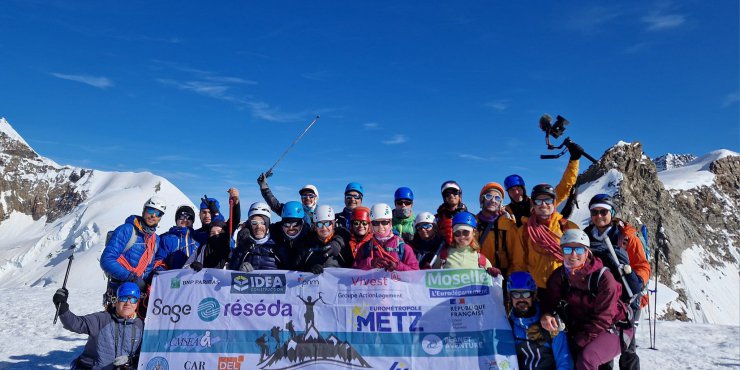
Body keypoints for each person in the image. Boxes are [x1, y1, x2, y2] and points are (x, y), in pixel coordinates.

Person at [540, 229, 634, 370]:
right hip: (582, 329)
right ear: (561, 251)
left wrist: (578, 342)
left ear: (587, 252)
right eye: (567, 249)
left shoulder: (603, 278)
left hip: (615, 328)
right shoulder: (559, 276)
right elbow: (549, 301)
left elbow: (604, 317)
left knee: (586, 360)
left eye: (578, 249)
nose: (573, 255)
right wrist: (547, 314)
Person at [583, 194, 650, 370]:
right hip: (601, 299)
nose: (599, 216)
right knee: (603, 344)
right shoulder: (586, 236)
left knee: (628, 345)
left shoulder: (626, 237)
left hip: (628, 299)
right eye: (594, 212)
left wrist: (638, 282)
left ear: (612, 212)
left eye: (603, 211)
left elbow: (643, 265)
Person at [53, 282, 144, 370]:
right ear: (116, 301)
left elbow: (144, 353)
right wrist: (62, 307)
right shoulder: (101, 319)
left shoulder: (140, 325)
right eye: (124, 298)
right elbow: (74, 324)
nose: (128, 303)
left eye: (133, 299)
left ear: (137, 303)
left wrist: (132, 361)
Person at [510, 184, 579, 296]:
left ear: (554, 202)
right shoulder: (525, 230)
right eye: (538, 201)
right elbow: (519, 264)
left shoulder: (568, 227)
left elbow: (581, 259)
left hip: (565, 288)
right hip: (537, 291)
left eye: (548, 200)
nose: (543, 204)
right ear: (533, 204)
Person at [100, 196, 166, 307]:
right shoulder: (127, 230)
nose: (153, 215)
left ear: (160, 218)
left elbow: (148, 269)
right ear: (144, 211)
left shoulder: (155, 240)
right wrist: (131, 278)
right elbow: (106, 260)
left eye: (158, 213)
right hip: (119, 293)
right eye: (150, 210)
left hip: (138, 296)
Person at [507, 271, 573, 370]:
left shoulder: (550, 323)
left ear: (533, 295)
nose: (521, 299)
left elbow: (564, 361)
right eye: (515, 294)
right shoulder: (508, 325)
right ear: (510, 297)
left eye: (526, 294)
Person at [503, 145, 582, 226]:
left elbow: (564, 187)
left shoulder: (540, 200)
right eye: (511, 190)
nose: (516, 192)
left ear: (523, 188)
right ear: (508, 193)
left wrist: (574, 160)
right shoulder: (506, 212)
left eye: (518, 188)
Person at [353, 203, 419, 271]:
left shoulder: (403, 248)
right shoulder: (365, 248)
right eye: (376, 223)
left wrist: (398, 266)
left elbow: (415, 274)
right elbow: (353, 272)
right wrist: (370, 263)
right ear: (371, 224)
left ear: (390, 223)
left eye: (384, 222)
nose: (380, 226)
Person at [435, 211, 499, 277]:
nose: (462, 237)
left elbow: (492, 283)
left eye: (466, 232)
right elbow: (431, 279)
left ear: (473, 232)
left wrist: (496, 276)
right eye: (457, 233)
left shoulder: (481, 260)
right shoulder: (443, 256)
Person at [476, 182, 519, 277]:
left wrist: (510, 278)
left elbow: (516, 257)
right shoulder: (472, 224)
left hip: (502, 276)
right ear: (482, 200)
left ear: (500, 203)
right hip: (478, 276)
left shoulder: (508, 224)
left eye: (497, 198)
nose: (493, 200)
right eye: (489, 196)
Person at [231, 202, 289, 271]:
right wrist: (239, 268)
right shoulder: (244, 245)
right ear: (250, 224)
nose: (258, 227)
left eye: (263, 223)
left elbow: (289, 270)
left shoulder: (278, 244)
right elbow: (232, 268)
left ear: (268, 224)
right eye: (254, 223)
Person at [294, 205, 349, 273]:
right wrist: (309, 269)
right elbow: (296, 269)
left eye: (327, 223)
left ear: (333, 225)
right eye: (319, 224)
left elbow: (353, 269)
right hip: (312, 283)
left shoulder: (343, 244)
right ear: (315, 227)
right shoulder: (306, 245)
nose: (323, 228)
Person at [156, 205, 199, 270]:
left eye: (188, 217)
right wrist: (161, 271)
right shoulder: (166, 238)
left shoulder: (197, 239)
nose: (185, 220)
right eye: (181, 217)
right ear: (176, 220)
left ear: (192, 221)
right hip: (173, 279)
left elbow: (217, 228)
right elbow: (159, 262)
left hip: (193, 279)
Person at [271, 201, 310, 269]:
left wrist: (313, 265)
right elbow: (261, 226)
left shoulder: (310, 235)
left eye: (295, 224)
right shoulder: (275, 232)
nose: (291, 228)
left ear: (301, 223)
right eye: (287, 224)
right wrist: (247, 228)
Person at [436, 180, 468, 245]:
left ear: (460, 196)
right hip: (442, 252)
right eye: (447, 194)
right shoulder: (437, 219)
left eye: (455, 192)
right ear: (444, 197)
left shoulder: (469, 218)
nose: (451, 195)